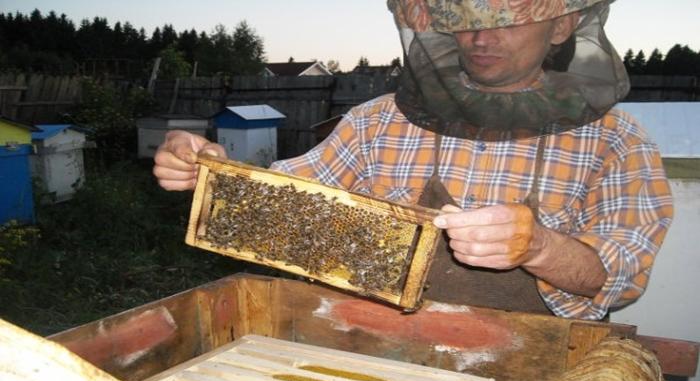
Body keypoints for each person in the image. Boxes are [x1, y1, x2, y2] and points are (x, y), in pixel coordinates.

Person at [153, 0, 673, 320]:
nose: (480, 37)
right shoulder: (378, 121)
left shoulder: (616, 140)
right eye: (464, 17)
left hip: (530, 369)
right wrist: (207, 168)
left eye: (505, 17)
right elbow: (281, 196)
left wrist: (540, 246)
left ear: (560, 26)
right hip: (375, 354)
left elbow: (619, 280)